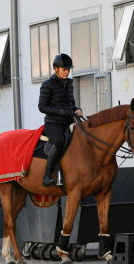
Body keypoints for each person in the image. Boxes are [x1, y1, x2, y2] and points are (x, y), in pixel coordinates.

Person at [38, 53, 83, 187]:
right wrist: (63, 112)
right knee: (59, 142)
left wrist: (77, 109)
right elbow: (42, 106)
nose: (67, 72)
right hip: (53, 123)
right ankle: (46, 176)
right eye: (64, 69)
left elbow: (71, 103)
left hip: (68, 121)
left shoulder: (69, 83)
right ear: (56, 69)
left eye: (68, 69)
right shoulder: (47, 84)